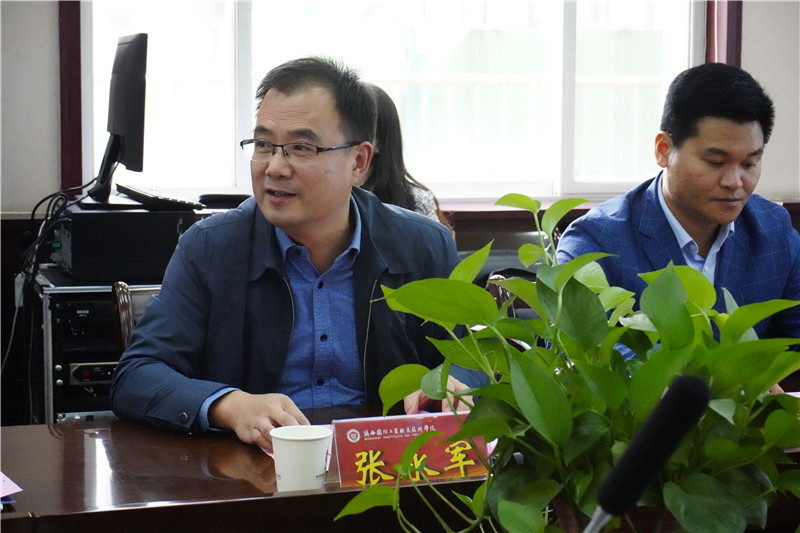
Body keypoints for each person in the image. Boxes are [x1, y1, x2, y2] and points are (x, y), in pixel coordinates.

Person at [111, 57, 478, 452]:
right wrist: (229, 405)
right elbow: (138, 375)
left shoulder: (422, 246)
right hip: (253, 472)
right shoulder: (211, 248)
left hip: (386, 468)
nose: (274, 167)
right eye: (263, 145)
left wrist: (451, 384)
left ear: (359, 162)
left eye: (301, 148)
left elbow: (479, 360)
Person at [556, 62, 800, 344]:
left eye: (750, 163)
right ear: (663, 150)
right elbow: (578, 353)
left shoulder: (774, 232)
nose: (735, 182)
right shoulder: (596, 242)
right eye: (715, 162)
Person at [360, 84, 454, 234]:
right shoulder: (326, 197)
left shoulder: (415, 202)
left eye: (356, 130)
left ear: (381, 141)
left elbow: (437, 247)